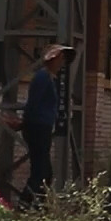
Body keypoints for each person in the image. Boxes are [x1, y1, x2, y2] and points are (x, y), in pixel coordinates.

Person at [18, 44, 72, 203]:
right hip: (37, 128)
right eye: (60, 58)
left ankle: (39, 207)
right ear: (52, 60)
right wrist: (26, 123)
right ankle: (25, 205)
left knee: (45, 172)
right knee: (40, 171)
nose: (62, 63)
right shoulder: (42, 77)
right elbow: (33, 103)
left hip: (44, 127)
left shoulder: (50, 79)